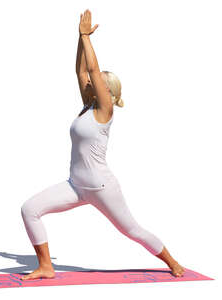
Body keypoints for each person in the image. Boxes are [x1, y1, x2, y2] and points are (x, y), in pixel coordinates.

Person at [20, 9, 185, 281]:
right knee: (29, 209)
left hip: (101, 186)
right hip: (76, 185)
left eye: (94, 83)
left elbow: (93, 69)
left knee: (131, 230)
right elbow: (81, 69)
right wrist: (78, 38)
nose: (88, 83)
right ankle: (46, 266)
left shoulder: (105, 110)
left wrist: (87, 37)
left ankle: (173, 262)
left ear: (105, 91)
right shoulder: (87, 108)